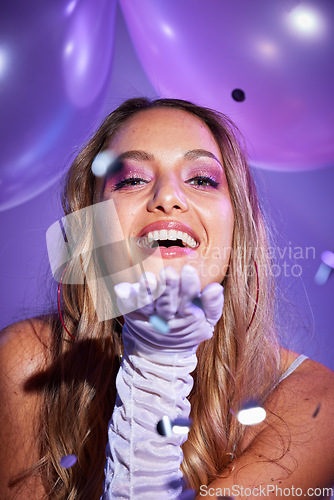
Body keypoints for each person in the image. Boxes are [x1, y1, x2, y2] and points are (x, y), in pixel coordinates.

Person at [0, 97, 333, 500]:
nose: (168, 197)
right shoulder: (26, 359)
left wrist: (158, 365)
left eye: (202, 180)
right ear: (94, 227)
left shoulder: (319, 402)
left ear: (237, 227)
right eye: (132, 179)